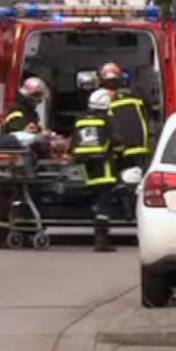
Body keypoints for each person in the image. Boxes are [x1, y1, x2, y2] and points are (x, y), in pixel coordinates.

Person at [72, 88, 119, 252]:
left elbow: (74, 143)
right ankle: (101, 240)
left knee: (95, 199)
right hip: (103, 166)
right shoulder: (107, 120)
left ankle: (98, 235)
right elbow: (117, 141)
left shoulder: (80, 120)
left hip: (85, 167)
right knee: (103, 204)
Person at [108, 73, 152, 172]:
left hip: (124, 148)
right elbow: (149, 112)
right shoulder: (137, 96)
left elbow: (111, 126)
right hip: (141, 143)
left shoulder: (111, 102)